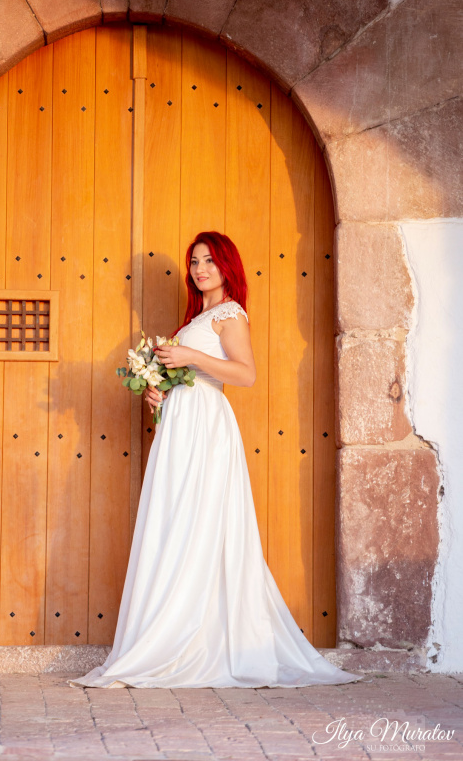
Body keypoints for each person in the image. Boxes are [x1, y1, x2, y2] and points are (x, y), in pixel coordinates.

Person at [70, 231, 358, 689]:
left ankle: (199, 641)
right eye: (194, 261)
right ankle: (173, 633)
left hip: (205, 425)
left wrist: (189, 355)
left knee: (200, 519)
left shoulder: (230, 314)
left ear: (227, 266)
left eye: (209, 260)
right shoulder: (196, 318)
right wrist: (157, 390)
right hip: (180, 423)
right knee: (176, 520)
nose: (200, 269)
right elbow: (188, 373)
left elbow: (246, 374)